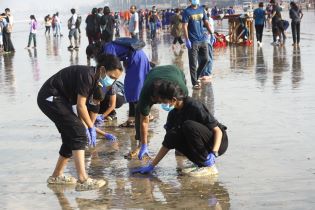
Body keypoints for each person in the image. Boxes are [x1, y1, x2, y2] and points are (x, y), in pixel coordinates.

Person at [37, 54, 122, 191]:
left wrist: (91, 126)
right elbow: (81, 106)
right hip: (50, 97)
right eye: (111, 77)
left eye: (115, 79)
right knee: (78, 133)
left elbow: (94, 106)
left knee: (71, 137)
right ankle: (83, 179)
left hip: (61, 100)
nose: (112, 82)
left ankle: (56, 176)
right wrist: (89, 127)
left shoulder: (98, 82)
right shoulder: (87, 75)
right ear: (102, 70)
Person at [132, 80, 228, 176]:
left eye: (164, 101)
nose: (162, 104)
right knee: (173, 134)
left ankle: (209, 167)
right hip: (202, 143)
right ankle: (201, 164)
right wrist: (152, 165)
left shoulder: (195, 106)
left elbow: (218, 131)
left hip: (217, 143)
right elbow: (168, 142)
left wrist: (214, 152)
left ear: (174, 100)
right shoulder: (173, 115)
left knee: (188, 125)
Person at [131, 65, 188, 160]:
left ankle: (180, 144)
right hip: (153, 74)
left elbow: (185, 113)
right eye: (155, 100)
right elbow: (144, 121)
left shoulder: (181, 90)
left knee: (180, 113)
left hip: (175, 71)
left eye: (161, 101)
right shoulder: (146, 93)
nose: (157, 102)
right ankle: (140, 144)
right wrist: (144, 144)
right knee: (139, 110)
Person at [103, 38, 150, 127]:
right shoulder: (111, 44)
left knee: (133, 89)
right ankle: (132, 119)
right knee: (136, 88)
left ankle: (143, 116)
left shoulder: (108, 48)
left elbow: (113, 66)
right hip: (140, 56)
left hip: (136, 58)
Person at [182, 0, 212, 90]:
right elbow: (184, 26)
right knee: (193, 63)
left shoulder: (202, 9)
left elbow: (206, 22)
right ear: (190, 1)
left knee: (206, 59)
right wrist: (187, 40)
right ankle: (194, 83)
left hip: (203, 39)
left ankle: (197, 76)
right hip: (193, 41)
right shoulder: (187, 11)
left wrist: (212, 33)